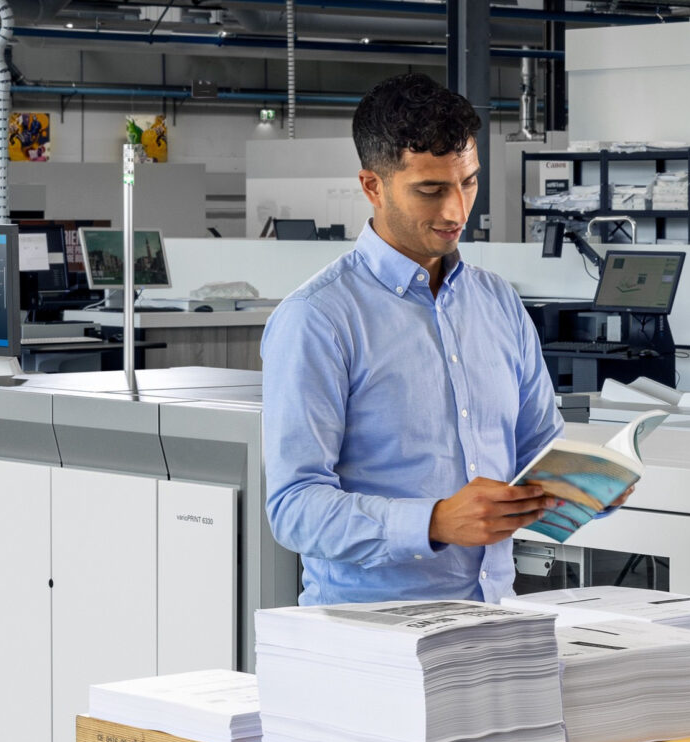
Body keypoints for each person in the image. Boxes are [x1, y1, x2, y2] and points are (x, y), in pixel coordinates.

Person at [261, 73, 624, 607]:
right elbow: (294, 508)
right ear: (372, 186)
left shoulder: (498, 303)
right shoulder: (318, 319)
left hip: (494, 614)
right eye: (430, 190)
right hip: (370, 632)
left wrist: (593, 486)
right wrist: (433, 522)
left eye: (469, 183)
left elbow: (537, 453)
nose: (456, 211)